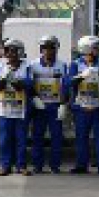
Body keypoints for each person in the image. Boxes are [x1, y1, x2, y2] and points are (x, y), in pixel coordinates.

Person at [68, 35, 99, 175]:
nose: (97, 51)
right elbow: (68, 83)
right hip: (82, 106)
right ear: (87, 49)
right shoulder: (76, 64)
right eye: (95, 49)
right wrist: (81, 76)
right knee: (81, 137)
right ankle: (81, 165)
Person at [27, 36, 69, 174]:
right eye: (46, 49)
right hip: (39, 107)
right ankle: (37, 165)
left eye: (52, 48)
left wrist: (63, 104)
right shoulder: (33, 65)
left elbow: (65, 85)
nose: (49, 52)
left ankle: (55, 165)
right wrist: (34, 98)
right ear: (41, 50)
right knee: (37, 136)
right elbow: (29, 84)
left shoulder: (62, 66)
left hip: (55, 106)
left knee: (56, 137)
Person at [0, 39, 32, 176]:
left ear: (19, 52)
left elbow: (29, 84)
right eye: (8, 51)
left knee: (21, 139)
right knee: (5, 139)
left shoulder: (26, 67)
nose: (11, 54)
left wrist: (18, 82)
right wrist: (2, 83)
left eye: (14, 51)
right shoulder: (1, 67)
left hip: (20, 109)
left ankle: (21, 165)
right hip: (5, 109)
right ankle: (5, 165)